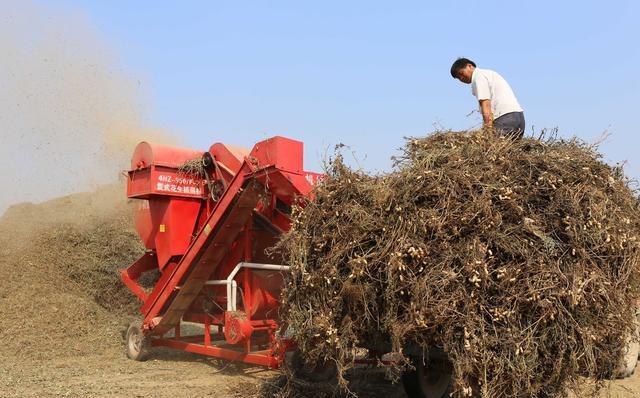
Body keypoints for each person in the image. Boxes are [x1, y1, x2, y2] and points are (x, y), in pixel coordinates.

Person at [450, 58, 525, 139]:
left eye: (461, 73)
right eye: (458, 78)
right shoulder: (488, 73)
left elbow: (485, 104)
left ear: (469, 66)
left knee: (492, 148)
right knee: (510, 150)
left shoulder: (478, 77)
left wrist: (487, 132)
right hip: (519, 118)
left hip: (504, 118)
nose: (461, 78)